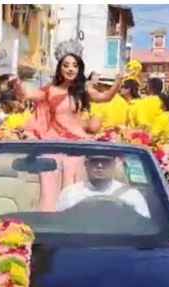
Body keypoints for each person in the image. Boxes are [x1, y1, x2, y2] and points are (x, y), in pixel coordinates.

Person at [13, 47, 121, 199]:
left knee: (73, 180)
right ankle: (50, 217)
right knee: (50, 179)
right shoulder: (49, 90)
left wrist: (117, 84)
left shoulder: (82, 90)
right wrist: (17, 83)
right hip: (53, 144)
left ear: (79, 69)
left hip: (76, 145)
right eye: (66, 65)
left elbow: (104, 97)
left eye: (74, 65)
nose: (70, 69)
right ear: (60, 68)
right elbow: (26, 95)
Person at [55, 154, 150, 218]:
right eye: (95, 161)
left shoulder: (131, 195)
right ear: (86, 164)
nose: (100, 165)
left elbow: (143, 227)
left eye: (105, 161)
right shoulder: (70, 194)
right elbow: (60, 226)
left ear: (113, 165)